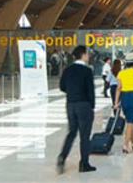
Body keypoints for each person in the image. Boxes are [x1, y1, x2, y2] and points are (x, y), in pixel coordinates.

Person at [56, 44, 95, 175]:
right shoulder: (87, 71)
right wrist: (92, 106)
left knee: (71, 132)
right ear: (83, 55)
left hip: (70, 105)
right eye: (87, 54)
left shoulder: (68, 70)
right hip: (84, 105)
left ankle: (62, 157)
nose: (88, 56)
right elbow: (91, 91)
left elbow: (62, 87)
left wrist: (72, 91)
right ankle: (84, 163)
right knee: (84, 135)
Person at [113, 51, 133, 154]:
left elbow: (118, 88)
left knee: (129, 120)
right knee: (130, 122)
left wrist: (116, 102)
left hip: (124, 97)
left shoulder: (121, 73)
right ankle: (125, 145)